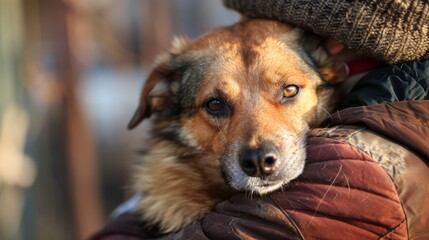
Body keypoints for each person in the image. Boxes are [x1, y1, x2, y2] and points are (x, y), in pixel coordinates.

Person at [90, 1, 429, 239]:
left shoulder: (361, 161)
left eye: (288, 91)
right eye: (217, 105)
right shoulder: (381, 103)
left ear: (333, 48)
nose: (257, 148)